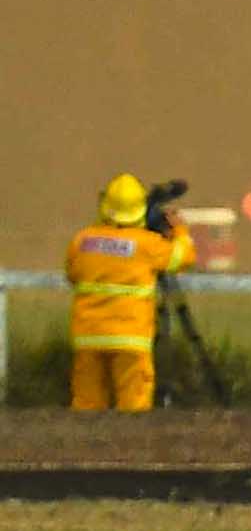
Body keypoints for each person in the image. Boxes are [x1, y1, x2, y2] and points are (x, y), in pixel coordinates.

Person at [61, 175, 193, 412]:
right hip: (131, 339)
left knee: (85, 409)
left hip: (88, 337)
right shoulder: (147, 245)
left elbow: (72, 275)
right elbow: (182, 257)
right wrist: (179, 230)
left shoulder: (82, 240)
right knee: (133, 412)